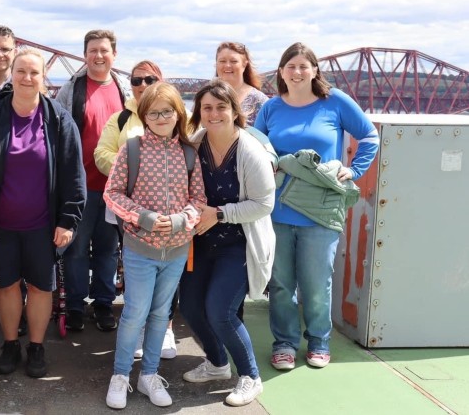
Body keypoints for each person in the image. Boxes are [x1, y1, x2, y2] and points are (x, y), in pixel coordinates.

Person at [254, 42, 378, 370]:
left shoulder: (334, 101)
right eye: (290, 66)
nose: (297, 72)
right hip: (278, 210)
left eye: (303, 66)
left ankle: (319, 342)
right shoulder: (271, 108)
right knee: (280, 284)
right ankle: (284, 344)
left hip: (321, 211)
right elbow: (255, 145)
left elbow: (369, 136)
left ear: (314, 70)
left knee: (317, 283)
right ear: (281, 72)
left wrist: (354, 170)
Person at [0, 47, 85, 379]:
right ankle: (10, 344)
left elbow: (73, 174)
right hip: (2, 225)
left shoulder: (60, 120)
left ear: (43, 78)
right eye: (21, 71)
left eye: (34, 72)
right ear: (12, 74)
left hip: (43, 225)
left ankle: (36, 347)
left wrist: (68, 220)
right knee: (6, 285)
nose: (27, 78)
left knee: (40, 287)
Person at [103, 82, 205, 409]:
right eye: (153, 112)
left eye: (167, 111)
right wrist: (143, 216)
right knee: (134, 312)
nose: (161, 118)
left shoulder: (188, 154)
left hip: (175, 250)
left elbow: (199, 199)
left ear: (179, 114)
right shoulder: (131, 149)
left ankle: (149, 374)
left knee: (162, 312)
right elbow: (112, 193)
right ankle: (120, 375)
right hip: (140, 247)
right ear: (144, 115)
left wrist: (179, 220)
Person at [180, 79, 276, 407]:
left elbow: (264, 204)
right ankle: (218, 364)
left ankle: (250, 376)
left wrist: (220, 213)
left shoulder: (250, 151)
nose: (214, 113)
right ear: (199, 112)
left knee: (220, 311)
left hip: (239, 245)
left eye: (221, 107)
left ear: (235, 111)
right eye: (207, 107)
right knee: (191, 308)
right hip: (202, 244)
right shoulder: (194, 144)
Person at [93, 60, 174, 359]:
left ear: (160, 79)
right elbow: (101, 152)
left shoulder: (179, 114)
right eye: (136, 80)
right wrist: (134, 168)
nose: (142, 85)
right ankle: (140, 327)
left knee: (168, 270)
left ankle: (164, 328)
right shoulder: (121, 117)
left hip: (169, 210)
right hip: (128, 209)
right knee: (133, 268)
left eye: (149, 79)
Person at [56, 29, 131, 332]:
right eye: (92, 51)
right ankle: (75, 306)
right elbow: (58, 131)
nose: (98, 56)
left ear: (114, 54)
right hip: (80, 185)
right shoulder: (71, 89)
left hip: (116, 187)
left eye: (104, 50)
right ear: (85, 55)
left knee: (108, 248)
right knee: (75, 248)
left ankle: (103, 303)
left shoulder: (124, 90)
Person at [215, 42, 268, 126]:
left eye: (233, 61)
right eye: (222, 61)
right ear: (216, 64)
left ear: (244, 65)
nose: (227, 65)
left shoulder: (259, 100)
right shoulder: (206, 97)